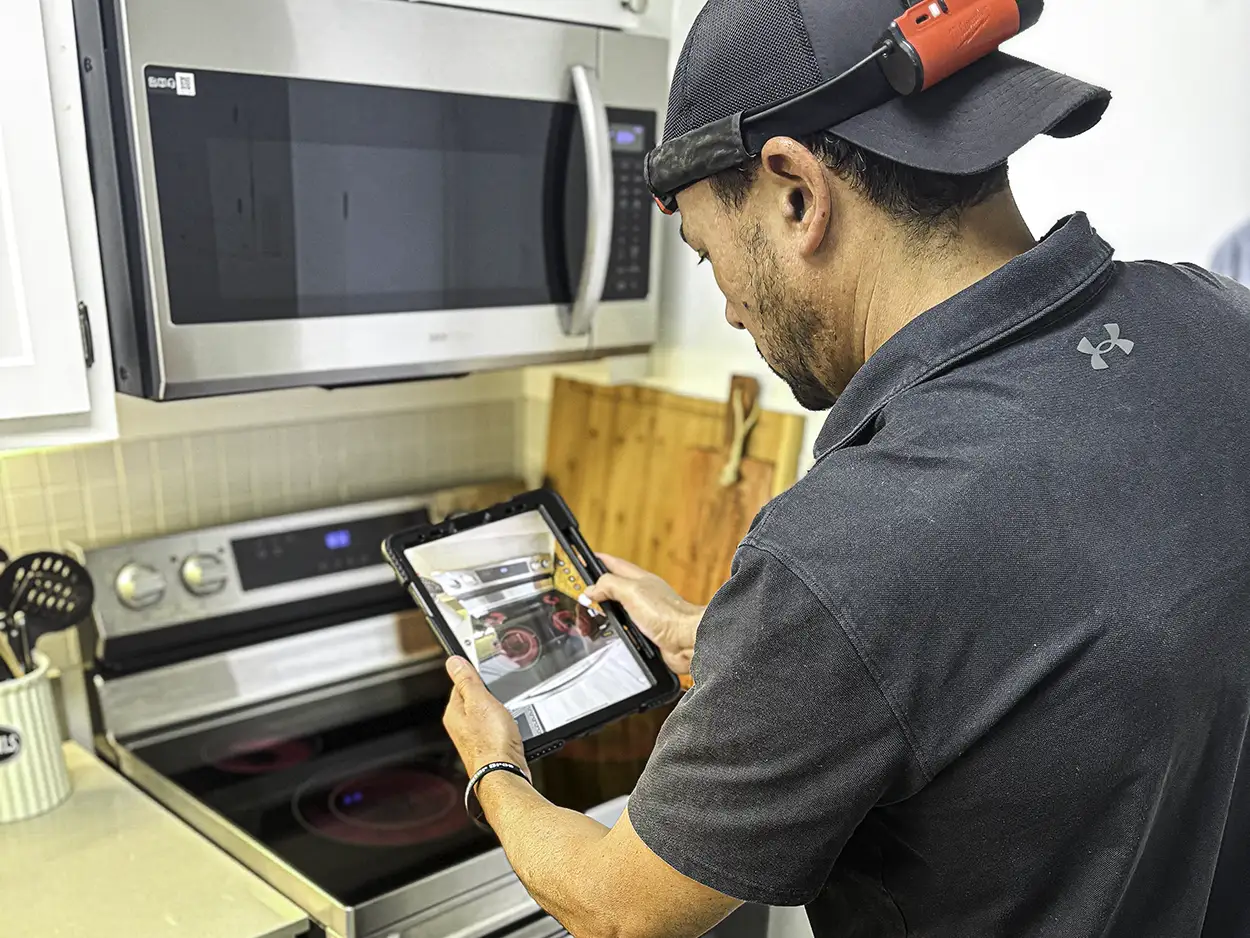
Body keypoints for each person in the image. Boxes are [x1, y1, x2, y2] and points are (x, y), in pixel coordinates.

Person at [440, 1, 1250, 935]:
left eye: (709, 257)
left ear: (796, 194)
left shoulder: (855, 542)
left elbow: (622, 912)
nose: (735, 314)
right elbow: (1032, 651)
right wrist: (738, 646)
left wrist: (493, 769)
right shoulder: (1219, 324)